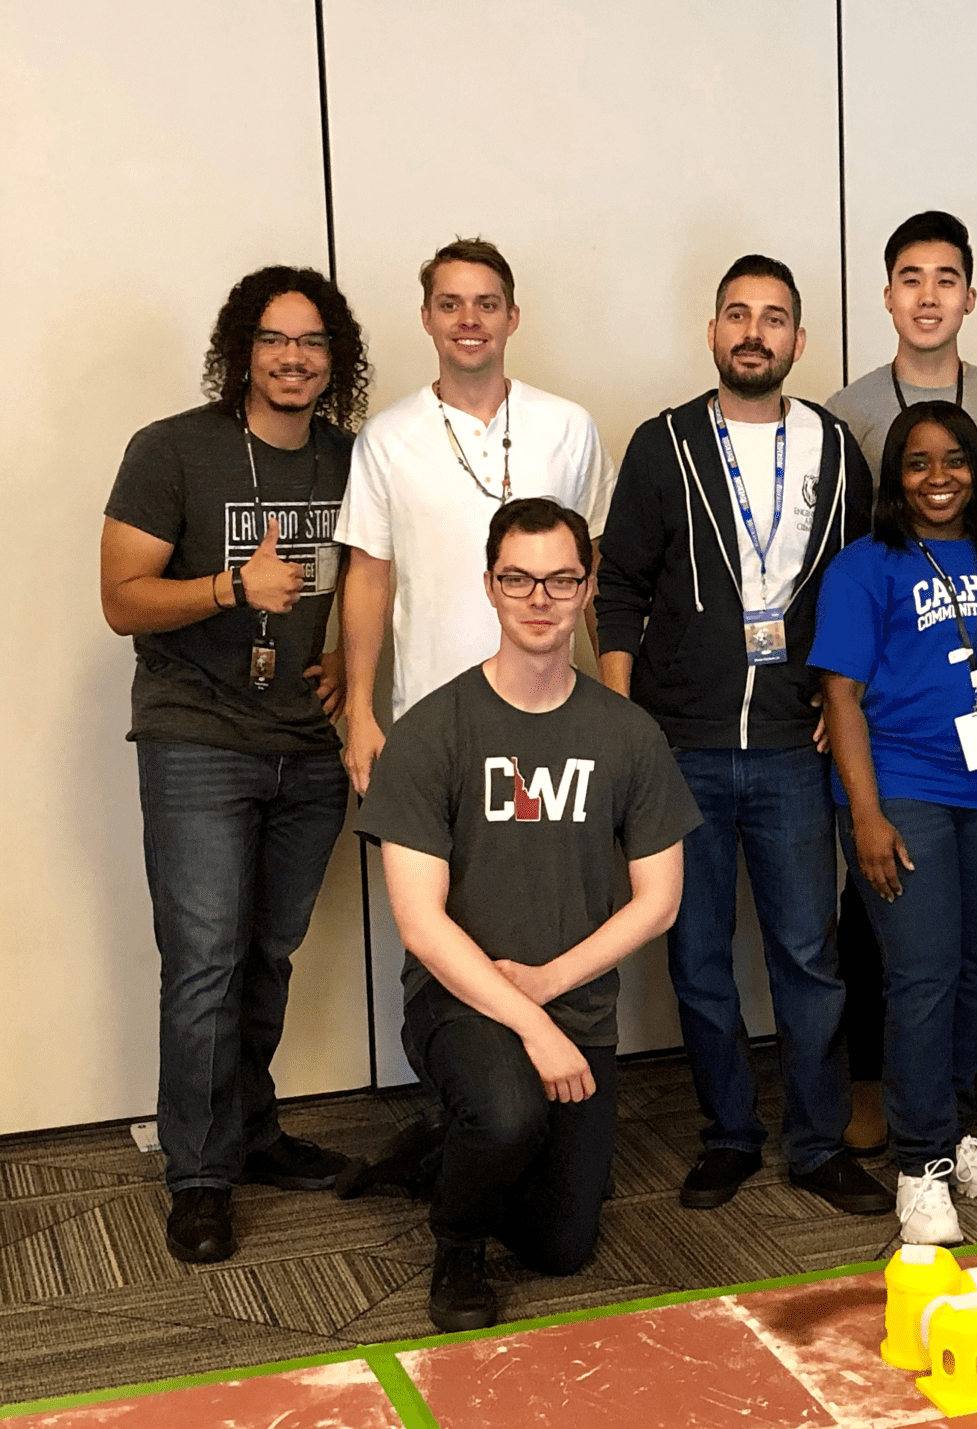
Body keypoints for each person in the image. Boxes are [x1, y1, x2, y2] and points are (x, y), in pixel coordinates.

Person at [595, 255, 892, 1217]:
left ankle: (814, 1144)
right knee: (698, 957)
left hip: (791, 754)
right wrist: (624, 724)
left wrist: (842, 694)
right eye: (737, 315)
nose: (754, 332)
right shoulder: (663, 444)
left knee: (809, 956)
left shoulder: (841, 449)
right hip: (679, 749)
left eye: (773, 318)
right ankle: (727, 1134)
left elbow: (861, 589)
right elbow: (620, 592)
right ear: (713, 333)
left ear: (799, 341)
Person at [357, 498, 699, 1332]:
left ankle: (446, 1154)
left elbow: (660, 901)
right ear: (489, 586)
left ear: (587, 592)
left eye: (560, 580)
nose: (538, 599)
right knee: (509, 1112)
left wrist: (550, 989)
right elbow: (421, 925)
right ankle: (457, 1242)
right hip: (461, 1002)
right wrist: (529, 1022)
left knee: (561, 1246)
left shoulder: (625, 733)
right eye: (518, 578)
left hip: (571, 1000)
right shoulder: (434, 730)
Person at [99, 264, 368, 1264]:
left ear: (332, 359)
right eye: (273, 340)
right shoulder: (172, 449)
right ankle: (199, 1174)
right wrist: (226, 585)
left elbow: (375, 579)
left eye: (312, 343)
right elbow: (122, 599)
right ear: (239, 350)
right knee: (205, 964)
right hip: (197, 737)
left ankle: (249, 1135)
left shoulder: (350, 460)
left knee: (267, 956)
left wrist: (345, 648)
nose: (293, 358)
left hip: (307, 746)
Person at [826, 210, 977, 1146]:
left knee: (976, 945)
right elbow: (832, 573)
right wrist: (845, 731)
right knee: (898, 938)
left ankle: (972, 1085)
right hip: (899, 745)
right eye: (910, 278)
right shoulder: (842, 416)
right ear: (887, 295)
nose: (928, 295)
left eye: (946, 278)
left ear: (969, 293)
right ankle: (888, 1096)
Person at [811, 402, 977, 1242]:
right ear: (897, 476)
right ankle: (919, 1167)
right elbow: (840, 695)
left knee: (972, 970)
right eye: (918, 462)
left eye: (955, 459)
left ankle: (950, 1134)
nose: (939, 476)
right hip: (907, 788)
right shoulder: (864, 567)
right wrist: (867, 814)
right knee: (920, 974)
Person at [336, 237, 615, 795]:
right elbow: (367, 578)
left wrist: (615, 702)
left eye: (487, 304)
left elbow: (601, 574)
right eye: (450, 304)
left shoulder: (569, 427)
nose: (469, 319)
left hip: (553, 714)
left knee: (554, 881)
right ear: (426, 317)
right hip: (428, 715)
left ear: (512, 317)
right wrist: (360, 714)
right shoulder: (386, 439)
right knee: (428, 881)